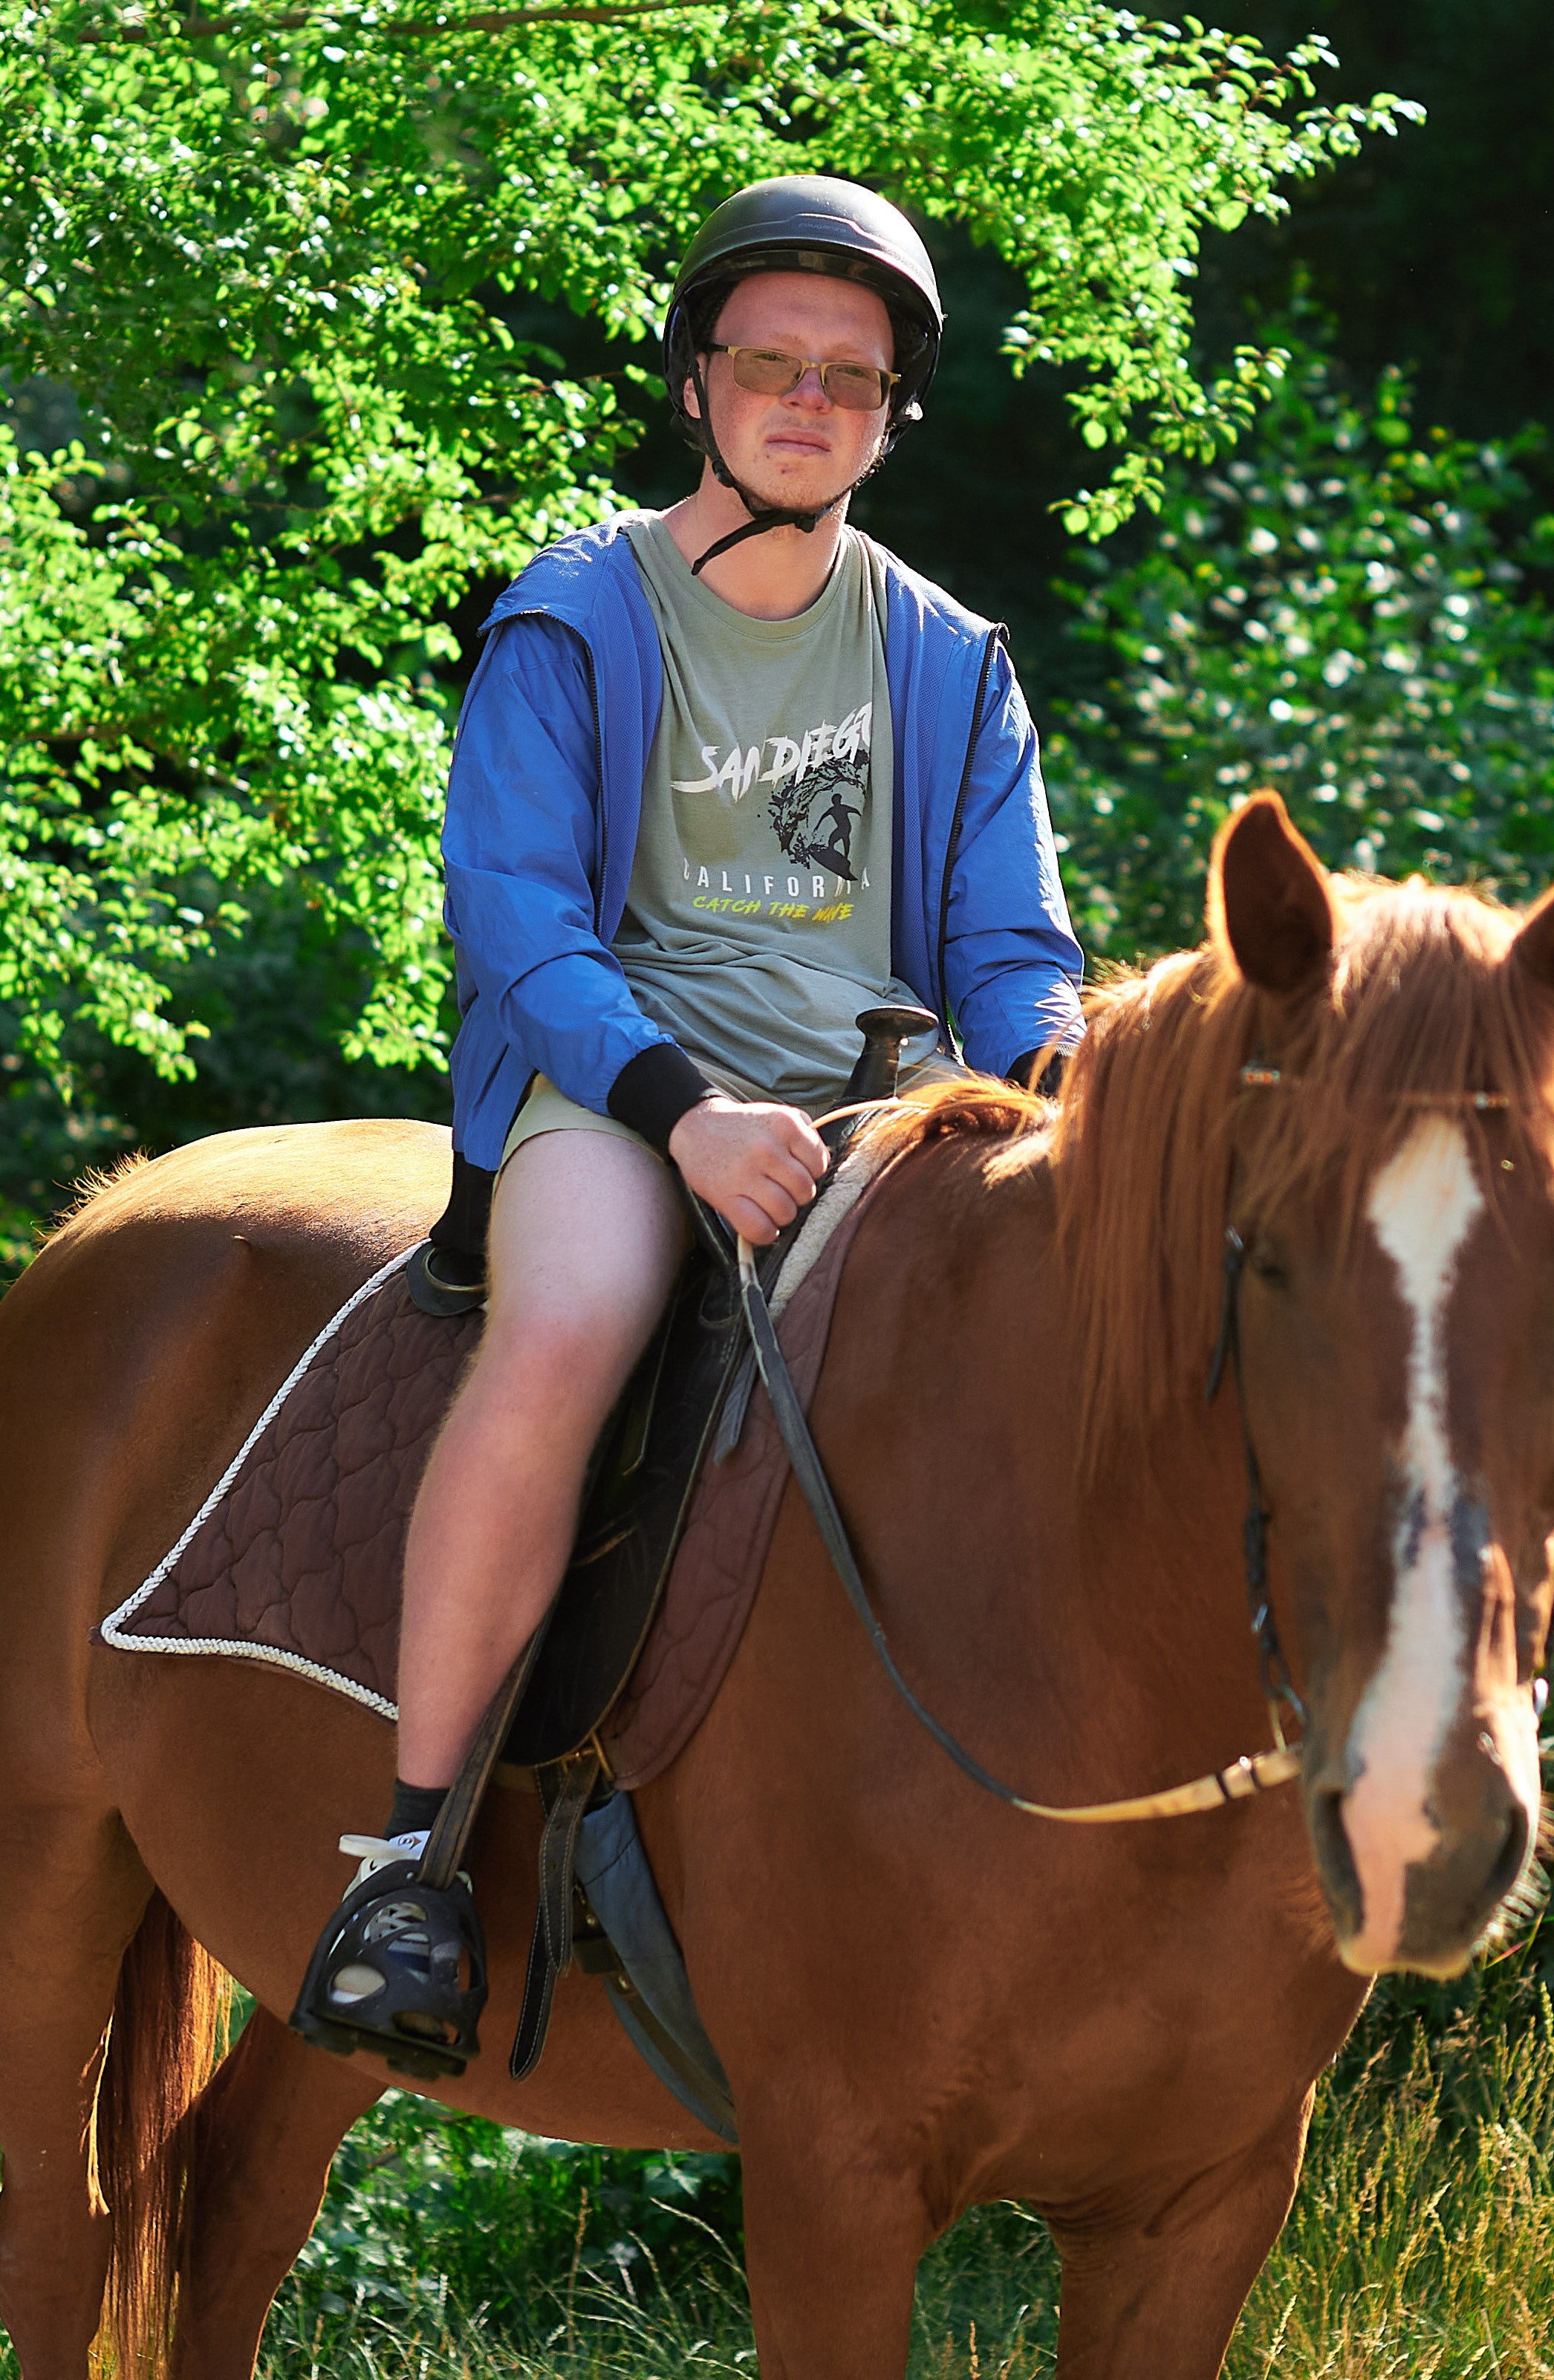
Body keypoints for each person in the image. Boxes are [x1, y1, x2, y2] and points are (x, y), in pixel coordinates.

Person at [293, 176, 1086, 2064]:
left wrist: (1066, 1092)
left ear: (890, 416)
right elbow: (516, 920)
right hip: (619, 1084)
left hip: (884, 1107)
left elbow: (1011, 952)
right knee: (565, 1328)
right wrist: (683, 1112)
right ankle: (405, 1870)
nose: (809, 401)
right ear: (698, 384)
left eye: (851, 379)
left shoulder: (951, 661)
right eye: (770, 365)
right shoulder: (576, 613)